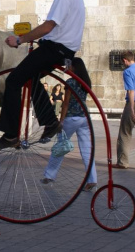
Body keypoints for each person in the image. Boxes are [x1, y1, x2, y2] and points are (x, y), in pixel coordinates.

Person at [0, 0, 85, 149]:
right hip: (64, 51)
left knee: (14, 80)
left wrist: (20, 39)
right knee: (30, 79)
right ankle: (50, 122)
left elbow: (49, 26)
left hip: (53, 48)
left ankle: (11, 134)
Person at [42, 58, 97, 192]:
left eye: (69, 65)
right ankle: (92, 179)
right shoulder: (85, 82)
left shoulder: (71, 82)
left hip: (72, 117)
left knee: (60, 146)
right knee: (87, 149)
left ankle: (49, 176)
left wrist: (61, 120)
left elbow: (65, 103)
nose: (67, 67)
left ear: (73, 67)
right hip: (84, 118)